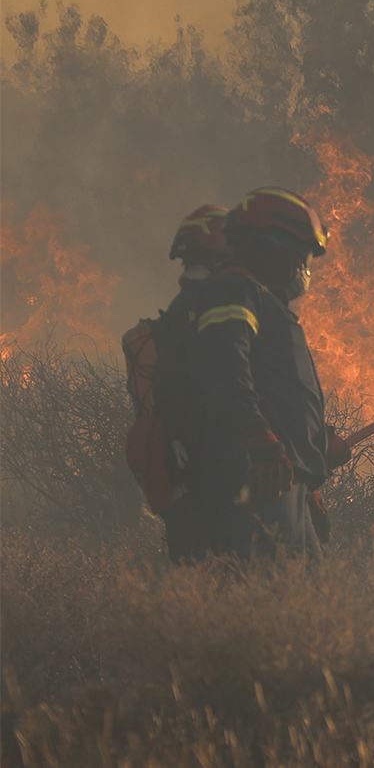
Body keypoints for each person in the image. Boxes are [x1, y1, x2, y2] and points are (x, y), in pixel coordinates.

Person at [183, 186, 346, 560]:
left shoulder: (261, 299)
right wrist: (257, 439)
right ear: (274, 245)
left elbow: (279, 392)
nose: (304, 268)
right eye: (302, 255)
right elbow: (225, 368)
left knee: (307, 597)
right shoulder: (234, 290)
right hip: (259, 475)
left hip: (287, 475)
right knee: (274, 593)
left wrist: (315, 452)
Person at [122, 204, 235, 559]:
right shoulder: (212, 316)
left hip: (184, 491)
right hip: (217, 495)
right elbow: (234, 400)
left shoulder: (177, 315)